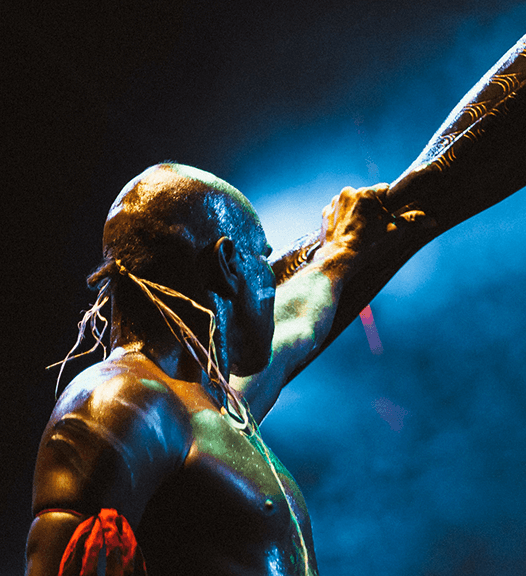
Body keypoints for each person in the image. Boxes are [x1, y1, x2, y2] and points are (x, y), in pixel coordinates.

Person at [25, 163, 426, 575]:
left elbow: (294, 327)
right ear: (228, 264)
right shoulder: (120, 401)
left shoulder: (213, 409)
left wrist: (340, 254)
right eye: (262, 258)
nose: (271, 280)